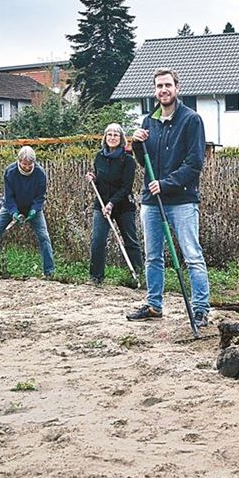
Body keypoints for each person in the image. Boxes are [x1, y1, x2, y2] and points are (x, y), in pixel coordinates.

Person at [127, 68, 210, 330]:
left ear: (177, 88)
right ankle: (154, 305)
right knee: (153, 256)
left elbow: (194, 163)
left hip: (182, 200)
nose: (163, 90)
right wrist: (137, 144)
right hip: (151, 200)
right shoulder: (148, 121)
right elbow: (143, 162)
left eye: (167, 85)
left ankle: (200, 309)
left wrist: (166, 184)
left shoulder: (191, 120)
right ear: (154, 91)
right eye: (159, 86)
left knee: (192, 255)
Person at [0, 146, 55, 278]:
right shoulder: (10, 171)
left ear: (34, 163)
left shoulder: (40, 173)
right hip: (11, 206)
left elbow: (40, 197)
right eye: (24, 164)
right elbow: (9, 197)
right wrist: (14, 212)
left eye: (29, 164)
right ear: (19, 161)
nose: (26, 167)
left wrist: (33, 210)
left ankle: (49, 271)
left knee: (44, 237)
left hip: (32, 208)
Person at [85, 123, 143, 285]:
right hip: (102, 204)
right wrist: (93, 179)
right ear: (105, 138)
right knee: (98, 240)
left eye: (116, 135)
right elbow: (100, 179)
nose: (112, 137)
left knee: (130, 240)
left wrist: (112, 204)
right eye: (109, 134)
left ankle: (139, 275)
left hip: (123, 205)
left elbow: (126, 187)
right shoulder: (99, 157)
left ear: (121, 139)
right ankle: (96, 277)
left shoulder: (128, 160)